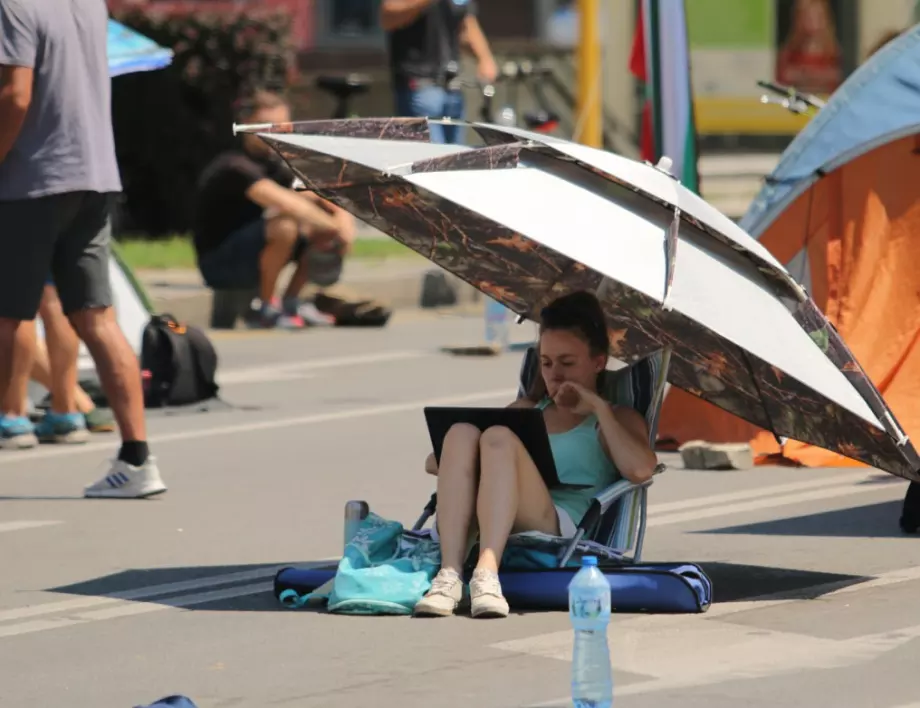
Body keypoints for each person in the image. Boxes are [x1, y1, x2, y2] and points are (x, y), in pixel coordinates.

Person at [0, 0, 163, 497]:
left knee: (8, 315)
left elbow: (16, 96)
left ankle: (13, 420)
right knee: (95, 315)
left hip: (31, 179)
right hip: (93, 174)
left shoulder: (13, 6)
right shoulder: (87, 4)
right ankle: (137, 458)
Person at [415, 291, 658, 618]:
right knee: (462, 432)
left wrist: (599, 408)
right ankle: (450, 576)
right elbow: (435, 463)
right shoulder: (527, 411)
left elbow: (641, 470)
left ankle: (487, 572)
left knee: (500, 437)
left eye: (567, 363)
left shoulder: (616, 418)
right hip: (494, 510)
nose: (555, 375)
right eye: (546, 363)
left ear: (598, 362)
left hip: (556, 521)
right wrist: (469, 444)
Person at [193, 89, 356, 330]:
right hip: (220, 262)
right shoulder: (234, 165)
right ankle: (267, 308)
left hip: (251, 254)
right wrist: (334, 227)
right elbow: (283, 202)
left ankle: (290, 302)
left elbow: (321, 194)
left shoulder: (274, 162)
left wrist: (343, 221)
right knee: (287, 224)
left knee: (317, 225)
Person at [381, 0, 497, 144]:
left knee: (455, 160)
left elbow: (466, 22)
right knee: (431, 161)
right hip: (419, 87)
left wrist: (485, 58)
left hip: (453, 89)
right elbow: (387, 17)